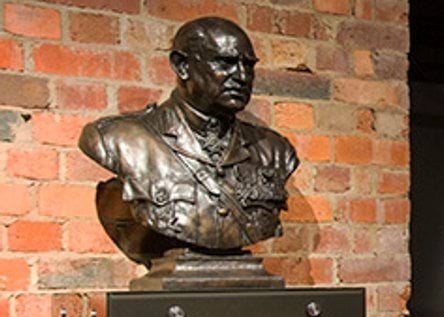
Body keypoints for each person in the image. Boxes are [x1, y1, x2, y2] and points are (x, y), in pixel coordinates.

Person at [78, 16, 298, 263]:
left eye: (248, 65)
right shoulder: (119, 139)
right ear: (182, 65)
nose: (242, 76)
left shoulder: (275, 151)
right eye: (225, 63)